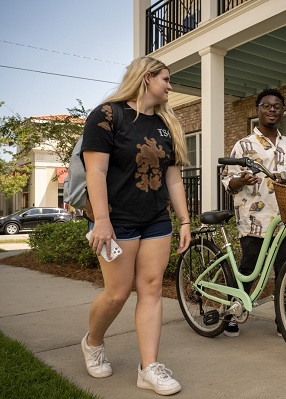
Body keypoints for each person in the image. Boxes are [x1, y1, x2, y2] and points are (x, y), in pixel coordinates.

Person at [80, 56, 191, 396]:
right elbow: (95, 171)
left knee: (153, 288)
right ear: (146, 78)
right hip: (117, 220)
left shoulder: (165, 124)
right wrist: (102, 221)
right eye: (166, 79)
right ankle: (93, 342)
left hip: (156, 219)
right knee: (117, 293)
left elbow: (173, 179)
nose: (170, 86)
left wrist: (185, 219)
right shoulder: (108, 115)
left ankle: (149, 367)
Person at [221, 88, 286, 342]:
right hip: (253, 219)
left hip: (284, 219)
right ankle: (232, 314)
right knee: (249, 268)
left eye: (277, 106)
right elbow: (227, 181)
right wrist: (241, 179)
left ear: (283, 112)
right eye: (267, 105)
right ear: (258, 110)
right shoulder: (244, 145)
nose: (272, 110)